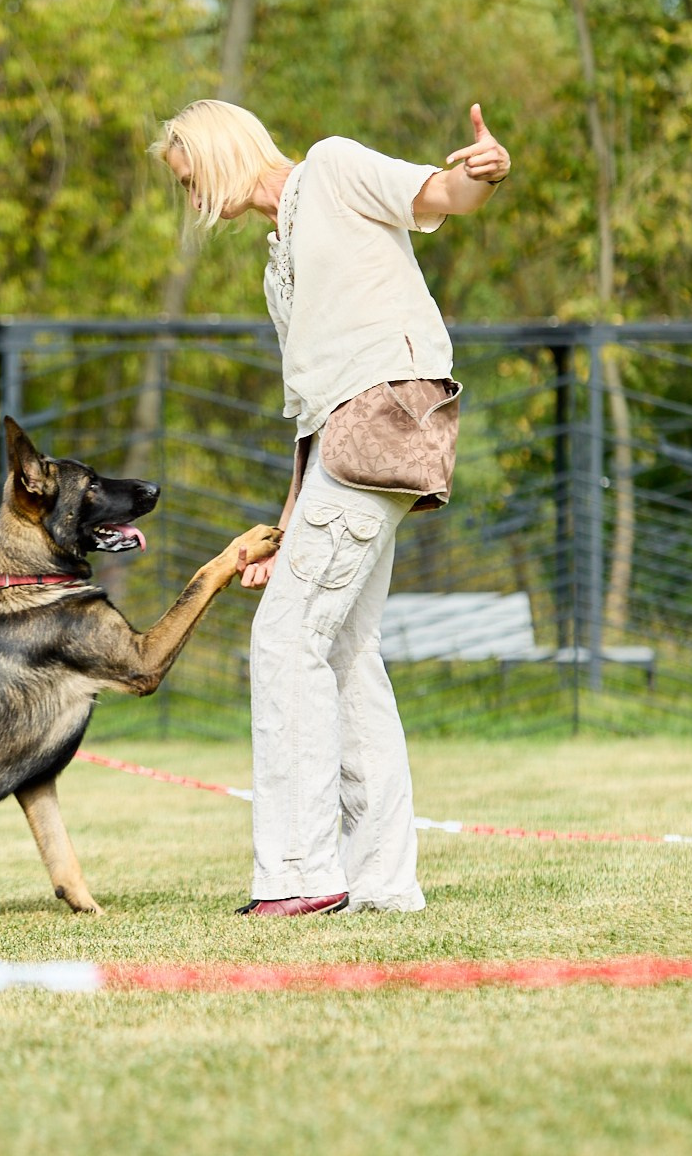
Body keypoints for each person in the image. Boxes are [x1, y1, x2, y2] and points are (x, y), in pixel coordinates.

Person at [149, 100, 511, 916]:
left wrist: (486, 173)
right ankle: (384, 882)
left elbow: (442, 196)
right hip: (341, 449)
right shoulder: (278, 264)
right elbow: (313, 413)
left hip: (383, 420)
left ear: (220, 153)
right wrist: (283, 533)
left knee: (285, 640)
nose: (192, 198)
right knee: (346, 651)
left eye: (189, 178)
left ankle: (301, 873)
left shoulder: (336, 168)